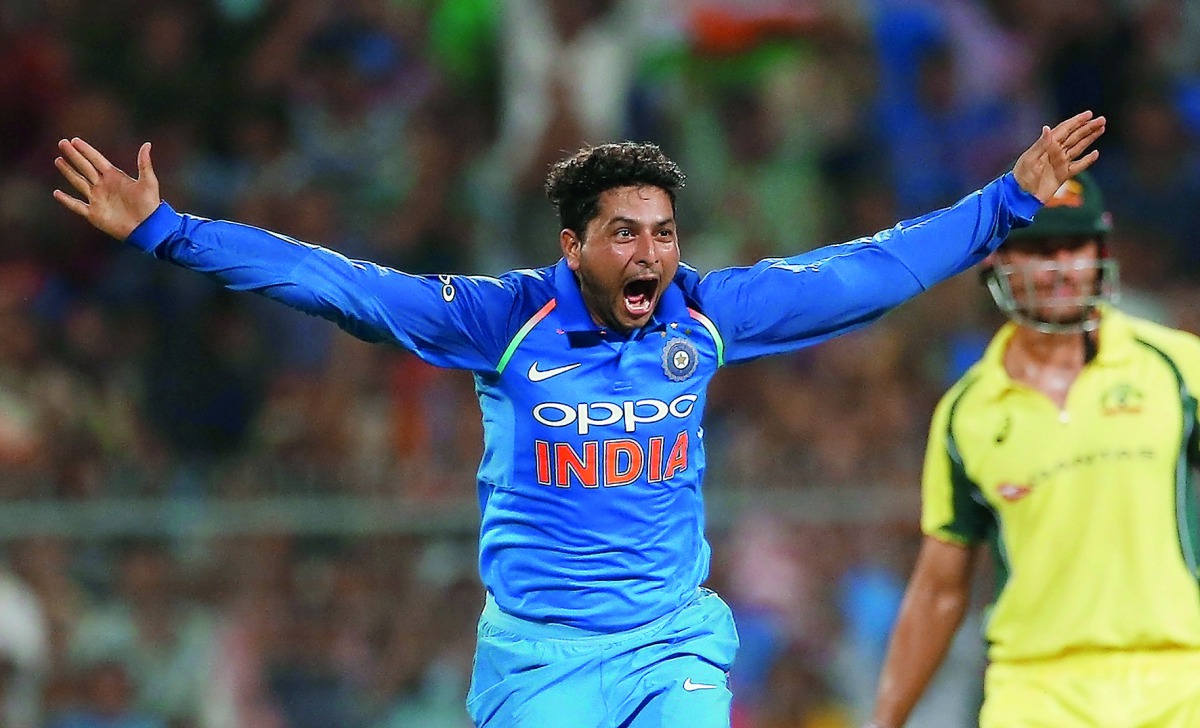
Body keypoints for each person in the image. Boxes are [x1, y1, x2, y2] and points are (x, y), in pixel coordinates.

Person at [52, 111, 1104, 728]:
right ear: (574, 245)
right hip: (539, 657)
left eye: (663, 230)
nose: (650, 252)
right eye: (624, 233)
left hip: (670, 643)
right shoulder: (504, 319)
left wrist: (1006, 202)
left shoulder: (706, 312)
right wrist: (169, 231)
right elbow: (343, 286)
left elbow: (865, 273)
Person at [865, 170, 1200, 728]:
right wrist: (884, 721)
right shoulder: (968, 411)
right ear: (996, 261)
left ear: (1100, 252)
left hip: (1178, 680)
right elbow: (939, 590)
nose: (1060, 267)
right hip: (1033, 691)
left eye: (1075, 246)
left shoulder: (1176, 367)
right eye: (1038, 249)